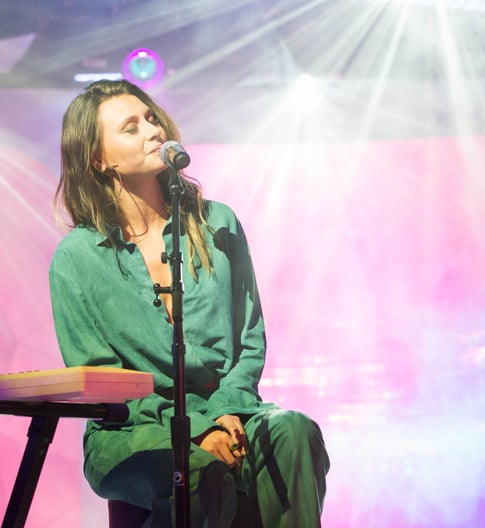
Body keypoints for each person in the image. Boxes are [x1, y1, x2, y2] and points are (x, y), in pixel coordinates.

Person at [49, 79, 330, 527]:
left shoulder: (218, 223)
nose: (152, 129)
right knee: (197, 470)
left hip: (230, 412)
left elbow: (249, 342)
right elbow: (104, 383)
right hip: (131, 429)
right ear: (99, 159)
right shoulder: (77, 258)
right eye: (130, 127)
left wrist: (221, 415)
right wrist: (196, 431)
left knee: (294, 430)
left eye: (152, 117)